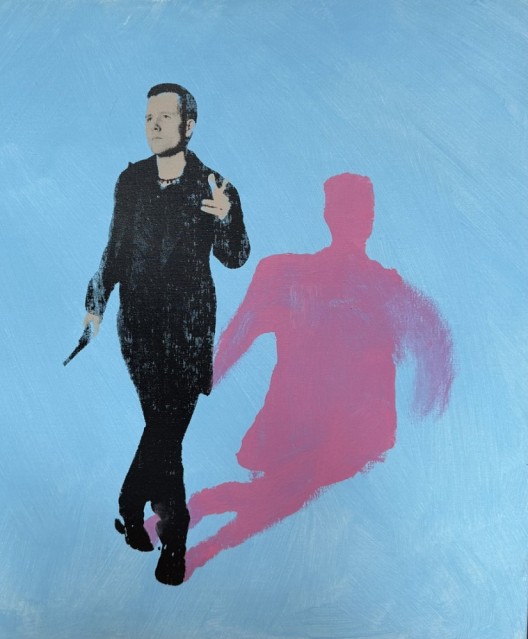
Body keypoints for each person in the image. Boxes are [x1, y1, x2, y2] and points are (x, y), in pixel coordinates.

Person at [167, 173, 453, 580]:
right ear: (331, 214)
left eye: (363, 210)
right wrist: (201, 380)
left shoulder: (381, 287)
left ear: (368, 218)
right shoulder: (289, 275)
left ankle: (196, 525)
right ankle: (198, 531)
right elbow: (240, 333)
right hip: (309, 427)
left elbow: (434, 338)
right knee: (284, 492)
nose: (358, 218)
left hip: (354, 433)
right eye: (351, 209)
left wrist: (434, 386)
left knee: (282, 491)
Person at [83, 83, 250, 585]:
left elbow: (236, 257)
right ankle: (169, 540)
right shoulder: (131, 180)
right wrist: (95, 305)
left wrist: (227, 219)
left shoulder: (214, 185)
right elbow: (114, 248)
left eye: (165, 118)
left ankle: (135, 506)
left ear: (188, 126)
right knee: (165, 435)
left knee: (164, 433)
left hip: (189, 330)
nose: (154, 126)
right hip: (139, 330)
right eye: (148, 117)